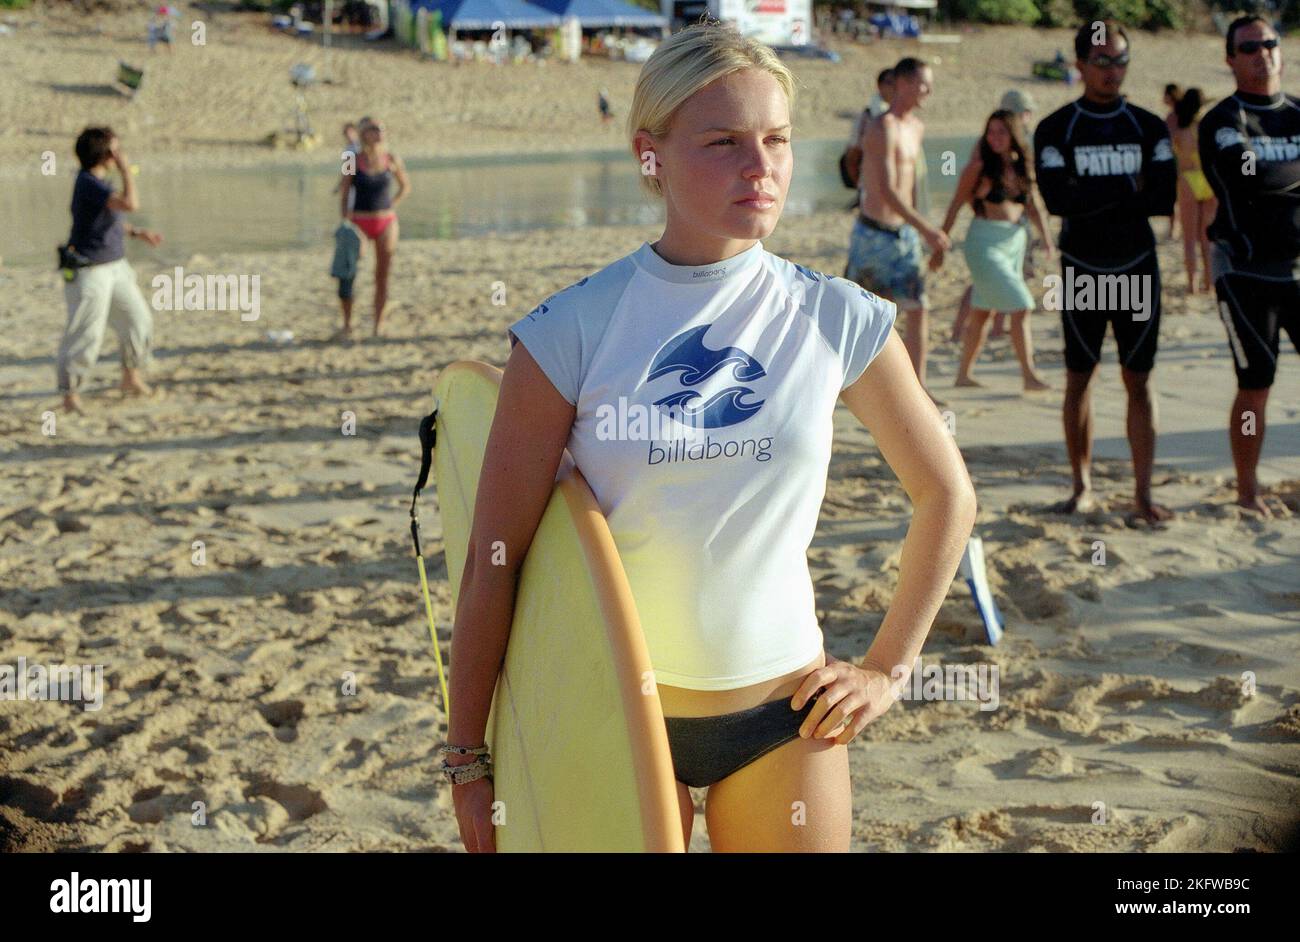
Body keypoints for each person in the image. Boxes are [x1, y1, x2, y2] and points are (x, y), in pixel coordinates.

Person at [444, 23, 976, 853]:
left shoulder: (838, 317)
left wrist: (887, 668)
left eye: (775, 140)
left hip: (784, 716)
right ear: (649, 155)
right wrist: (468, 756)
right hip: (607, 718)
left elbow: (946, 496)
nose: (759, 167)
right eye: (724, 142)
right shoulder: (571, 331)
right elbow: (493, 557)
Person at [1033, 20, 1177, 525]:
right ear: (1079, 66)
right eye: (1101, 61)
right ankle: (1082, 487)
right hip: (1081, 269)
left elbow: (1163, 199)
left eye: (1120, 60)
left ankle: (1142, 493)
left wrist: (1092, 193)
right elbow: (1056, 199)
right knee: (1080, 378)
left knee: (1139, 381)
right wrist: (1127, 190)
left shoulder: (1148, 126)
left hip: (1137, 266)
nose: (1112, 70)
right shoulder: (1056, 128)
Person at [1198, 15, 1300, 517]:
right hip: (1247, 273)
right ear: (1231, 58)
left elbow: (1272, 174)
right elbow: (1251, 176)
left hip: (1299, 269)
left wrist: (1281, 174)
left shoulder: (1297, 112)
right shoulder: (1224, 120)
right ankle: (1247, 490)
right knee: (1255, 385)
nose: (1262, 52)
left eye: (1269, 43)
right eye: (1249, 46)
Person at [847, 57, 950, 393]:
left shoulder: (916, 127)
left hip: (905, 234)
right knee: (863, 314)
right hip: (875, 233)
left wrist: (925, 230)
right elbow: (888, 191)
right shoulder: (881, 127)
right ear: (904, 83)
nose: (929, 90)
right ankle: (849, 385)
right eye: (923, 83)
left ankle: (917, 387)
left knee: (918, 308)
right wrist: (928, 230)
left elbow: (915, 184)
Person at [933, 109, 1054, 391]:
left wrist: (1046, 238)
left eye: (1001, 132)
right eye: (991, 132)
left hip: (1014, 244)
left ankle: (963, 375)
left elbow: (1033, 206)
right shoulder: (978, 167)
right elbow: (955, 204)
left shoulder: (1022, 165)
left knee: (981, 313)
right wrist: (941, 243)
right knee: (1022, 305)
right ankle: (1029, 375)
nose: (995, 138)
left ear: (1013, 135)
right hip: (984, 244)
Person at [57, 128, 163, 414]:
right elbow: (130, 204)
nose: (120, 153)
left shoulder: (97, 185)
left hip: (115, 267)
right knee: (86, 336)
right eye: (116, 149)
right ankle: (70, 395)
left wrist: (137, 232)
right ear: (107, 155)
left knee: (138, 322)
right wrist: (127, 170)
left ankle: (131, 378)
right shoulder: (89, 182)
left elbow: (107, 220)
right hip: (90, 272)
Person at [950, 88, 1038, 344]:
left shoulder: (1020, 142)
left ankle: (997, 327)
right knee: (986, 283)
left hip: (1015, 229)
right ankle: (963, 329)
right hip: (991, 230)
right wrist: (981, 205)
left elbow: (1029, 192)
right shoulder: (990, 143)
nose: (1029, 116)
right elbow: (967, 188)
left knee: (1000, 281)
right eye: (1026, 112)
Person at [337, 118, 409, 338]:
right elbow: (344, 190)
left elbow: (405, 186)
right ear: (363, 133)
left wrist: (391, 205)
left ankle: (379, 325)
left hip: (386, 221)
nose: (380, 132)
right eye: (375, 129)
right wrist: (345, 222)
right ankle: (347, 324)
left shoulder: (392, 158)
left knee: (382, 276)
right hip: (358, 221)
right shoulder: (351, 159)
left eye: (382, 128)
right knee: (348, 273)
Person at [1170, 88, 1217, 294]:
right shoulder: (1206, 128)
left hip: (1188, 179)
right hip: (1206, 179)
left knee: (1189, 239)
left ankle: (1192, 283)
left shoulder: (1180, 129)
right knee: (1207, 238)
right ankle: (1209, 282)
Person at [839, 69, 893, 190]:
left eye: (896, 83)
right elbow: (853, 154)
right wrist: (861, 186)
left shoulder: (893, 117)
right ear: (880, 86)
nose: (893, 88)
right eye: (889, 83)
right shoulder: (869, 117)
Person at [1163, 83, 1182, 241]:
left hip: (1176, 160)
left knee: (1173, 196)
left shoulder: (1172, 117)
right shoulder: (1185, 115)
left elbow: (1169, 140)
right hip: (1189, 161)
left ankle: (1173, 228)